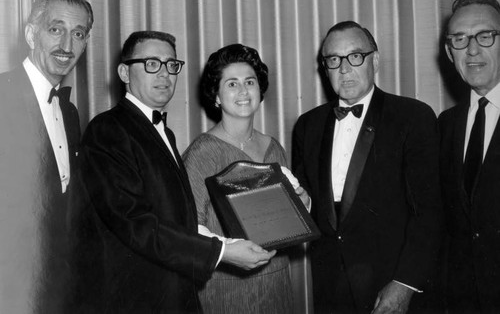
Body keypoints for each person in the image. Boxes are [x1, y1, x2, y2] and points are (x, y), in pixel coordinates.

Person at [71, 32, 276, 313]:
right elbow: (135, 223)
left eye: (171, 65)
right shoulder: (108, 130)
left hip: (171, 291)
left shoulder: (162, 131)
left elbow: (179, 217)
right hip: (136, 298)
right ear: (124, 72)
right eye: (151, 64)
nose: (164, 74)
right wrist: (222, 252)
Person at [292, 21, 443, 313]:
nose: (344, 69)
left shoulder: (413, 117)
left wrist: (405, 284)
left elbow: (430, 212)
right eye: (334, 60)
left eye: (355, 56)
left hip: (392, 285)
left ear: (375, 61)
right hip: (331, 286)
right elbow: (308, 202)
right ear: (325, 68)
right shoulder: (307, 125)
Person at [182, 43, 310, 314]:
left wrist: (303, 203)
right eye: (231, 84)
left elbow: (289, 223)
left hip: (276, 283)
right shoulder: (202, 151)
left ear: (260, 91)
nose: (243, 91)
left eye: (249, 82)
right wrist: (230, 252)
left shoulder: (273, 147)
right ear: (216, 96)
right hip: (225, 286)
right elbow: (188, 227)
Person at [0, 0, 93, 313]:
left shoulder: (69, 113)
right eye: (56, 30)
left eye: (78, 34)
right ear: (30, 34)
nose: (67, 46)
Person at [439, 0, 500, 313]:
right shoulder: (445, 125)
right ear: (450, 53)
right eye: (460, 40)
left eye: (485, 36)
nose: (472, 50)